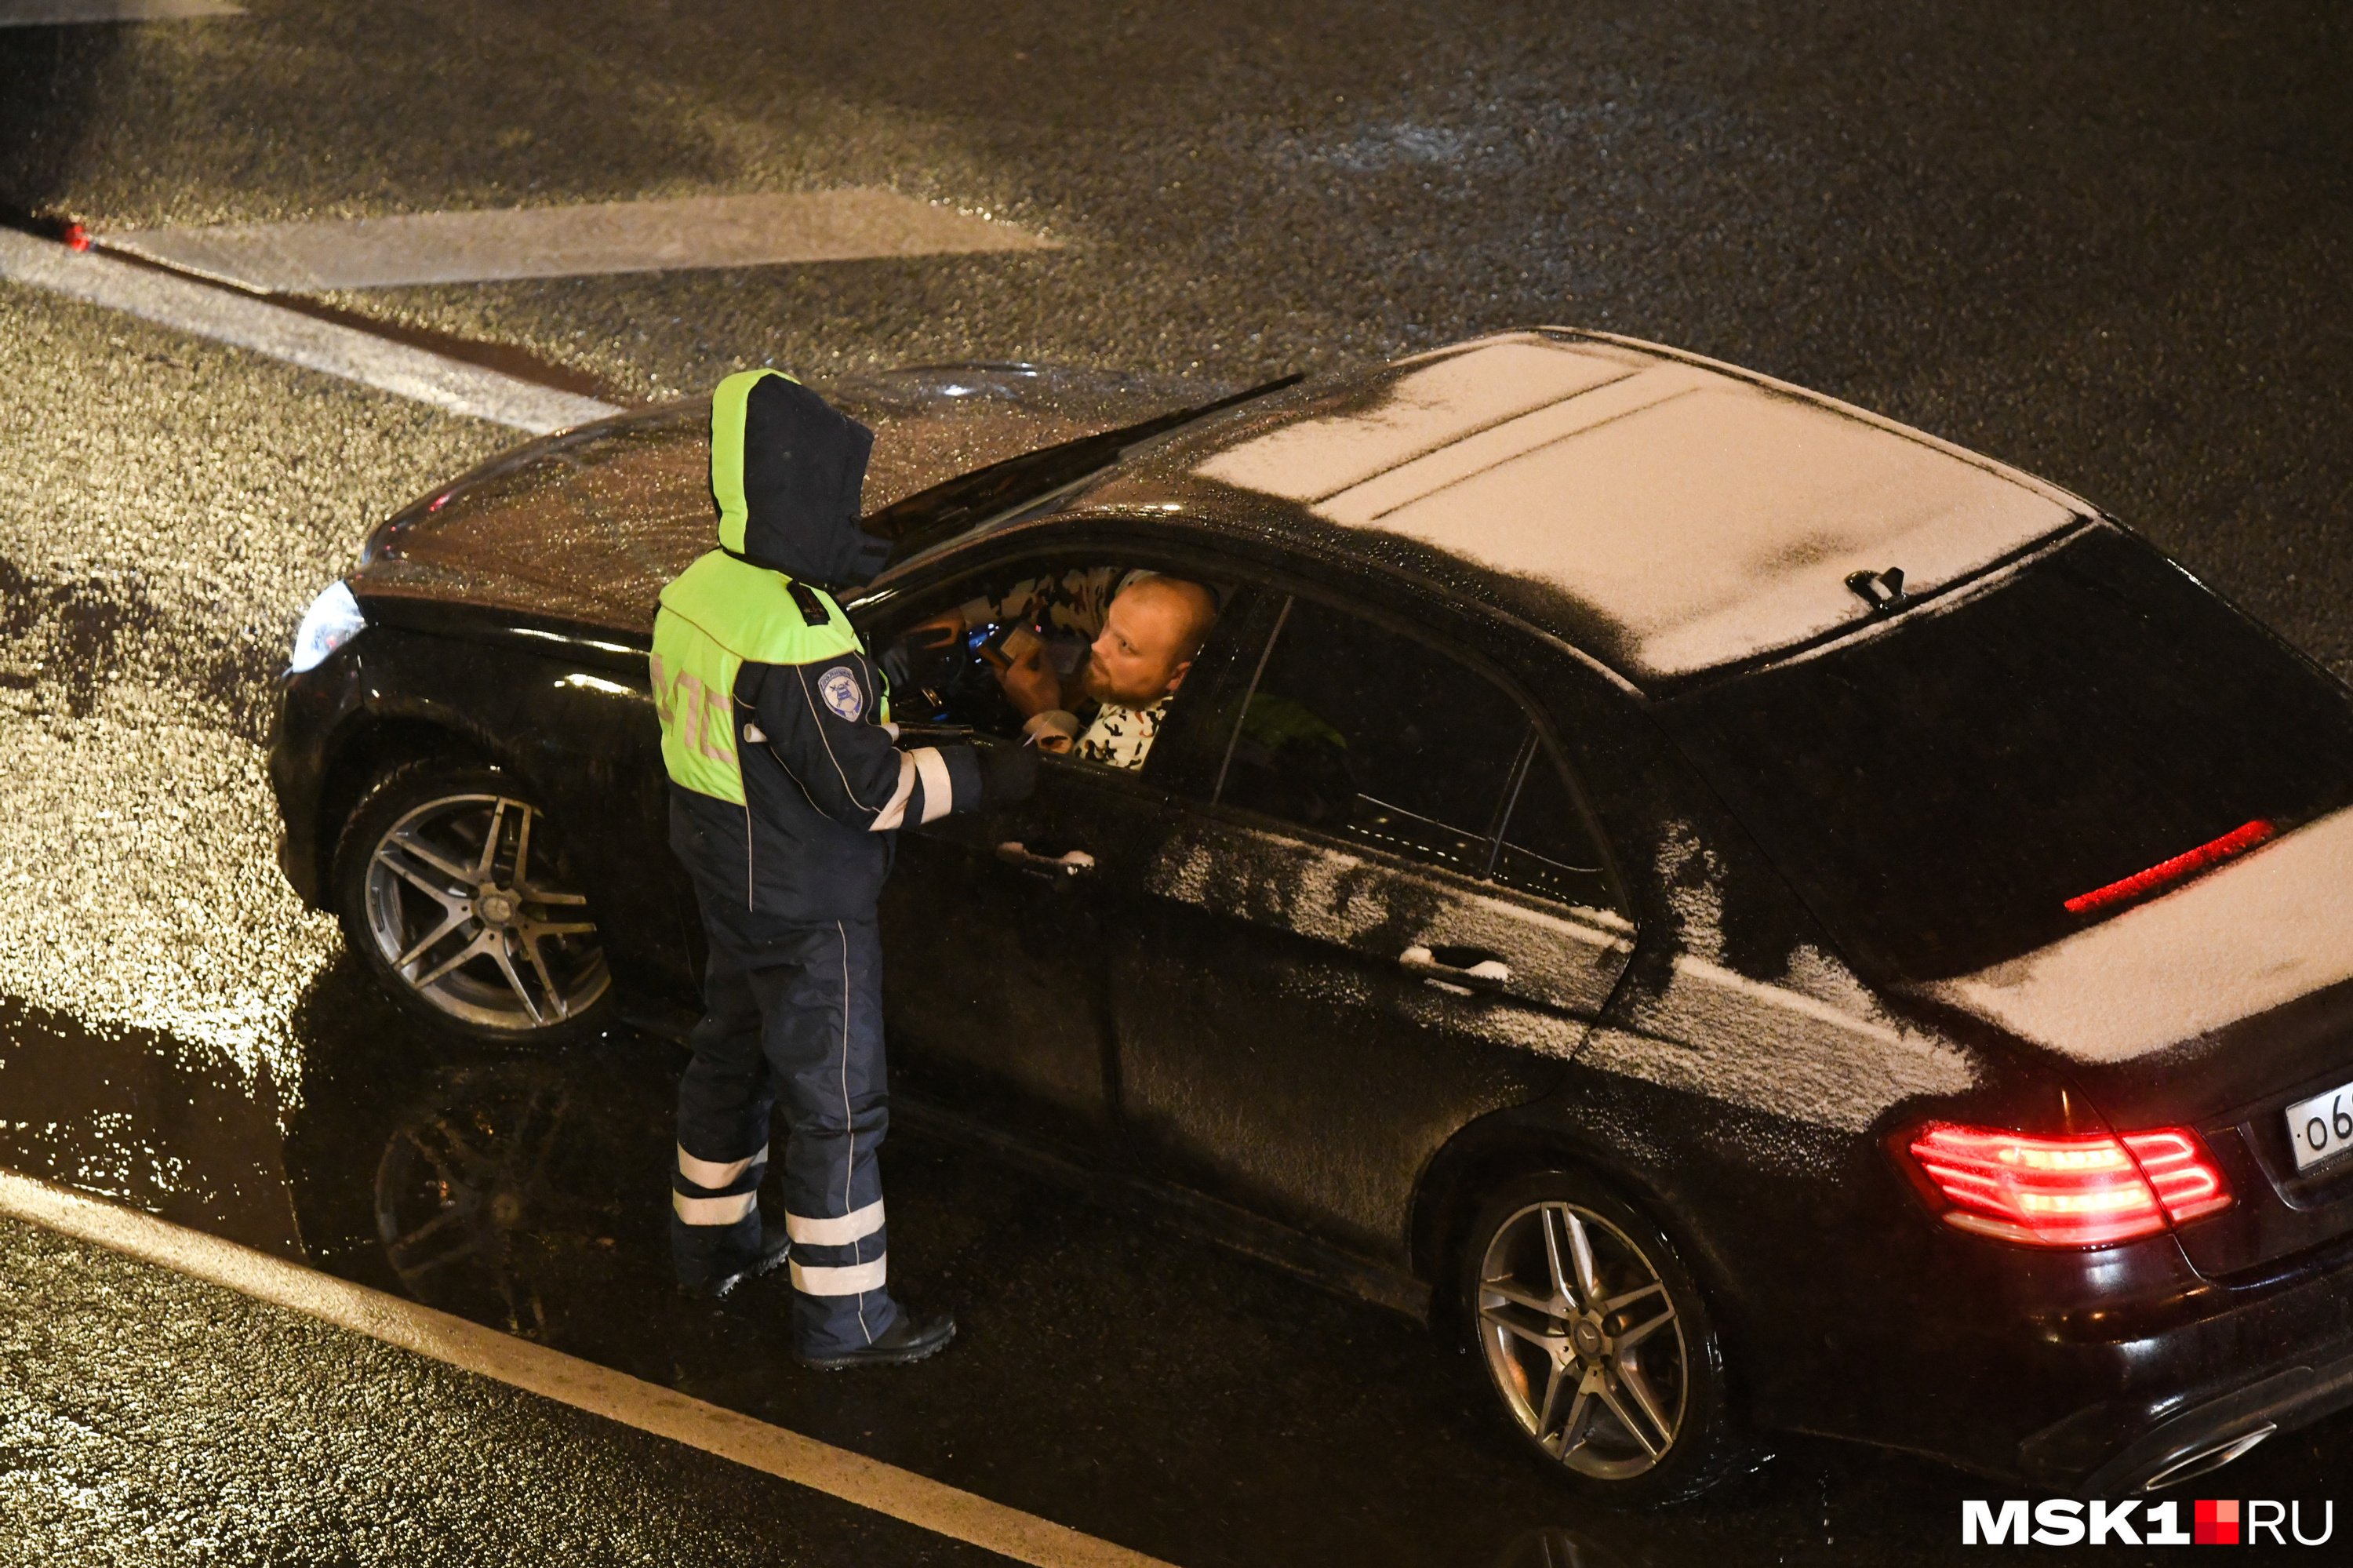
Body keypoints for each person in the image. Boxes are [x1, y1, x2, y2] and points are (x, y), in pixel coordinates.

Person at [651, 368, 1035, 1369]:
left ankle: (712, 1243)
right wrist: (994, 773)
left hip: (726, 881)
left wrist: (883, 673)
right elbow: (869, 792)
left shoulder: (700, 588)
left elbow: (760, 720)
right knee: (837, 1109)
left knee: (729, 1060)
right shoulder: (798, 628)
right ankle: (848, 1319)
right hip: (808, 907)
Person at [916, 573, 1217, 770]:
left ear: (1178, 676)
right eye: (1109, 624)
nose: (1098, 646)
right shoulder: (1151, 622)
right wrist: (962, 615)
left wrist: (1042, 712)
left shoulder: (1128, 749)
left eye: (1125, 645)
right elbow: (1069, 590)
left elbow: (1056, 806)